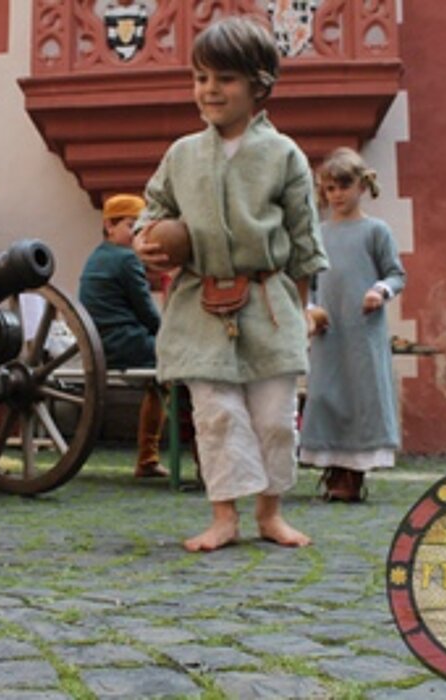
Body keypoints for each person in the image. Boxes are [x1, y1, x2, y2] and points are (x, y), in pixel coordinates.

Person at [133, 16, 329, 551]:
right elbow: (154, 210)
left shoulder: (284, 154)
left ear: (259, 85)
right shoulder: (181, 154)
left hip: (269, 304)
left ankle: (270, 513)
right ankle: (224, 517)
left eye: (225, 78)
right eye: (201, 78)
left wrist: (301, 314)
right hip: (201, 306)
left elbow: (304, 242)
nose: (210, 90)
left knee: (274, 416)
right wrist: (145, 238)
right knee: (216, 413)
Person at [299, 147, 406, 502]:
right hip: (328, 331)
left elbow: (395, 274)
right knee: (325, 394)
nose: (337, 195)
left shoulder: (376, 231)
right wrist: (311, 309)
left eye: (344, 186)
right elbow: (310, 282)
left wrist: (379, 291)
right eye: (329, 188)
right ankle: (333, 466)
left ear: (361, 186)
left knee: (361, 395)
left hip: (362, 331)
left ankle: (353, 474)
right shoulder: (318, 234)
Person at [79, 194, 168, 478]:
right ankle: (153, 456)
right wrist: (171, 338)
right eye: (131, 226)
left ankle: (148, 457)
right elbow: (147, 313)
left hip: (99, 344)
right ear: (109, 226)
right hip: (124, 343)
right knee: (185, 363)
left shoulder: (97, 256)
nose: (137, 234)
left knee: (160, 382)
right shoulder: (127, 259)